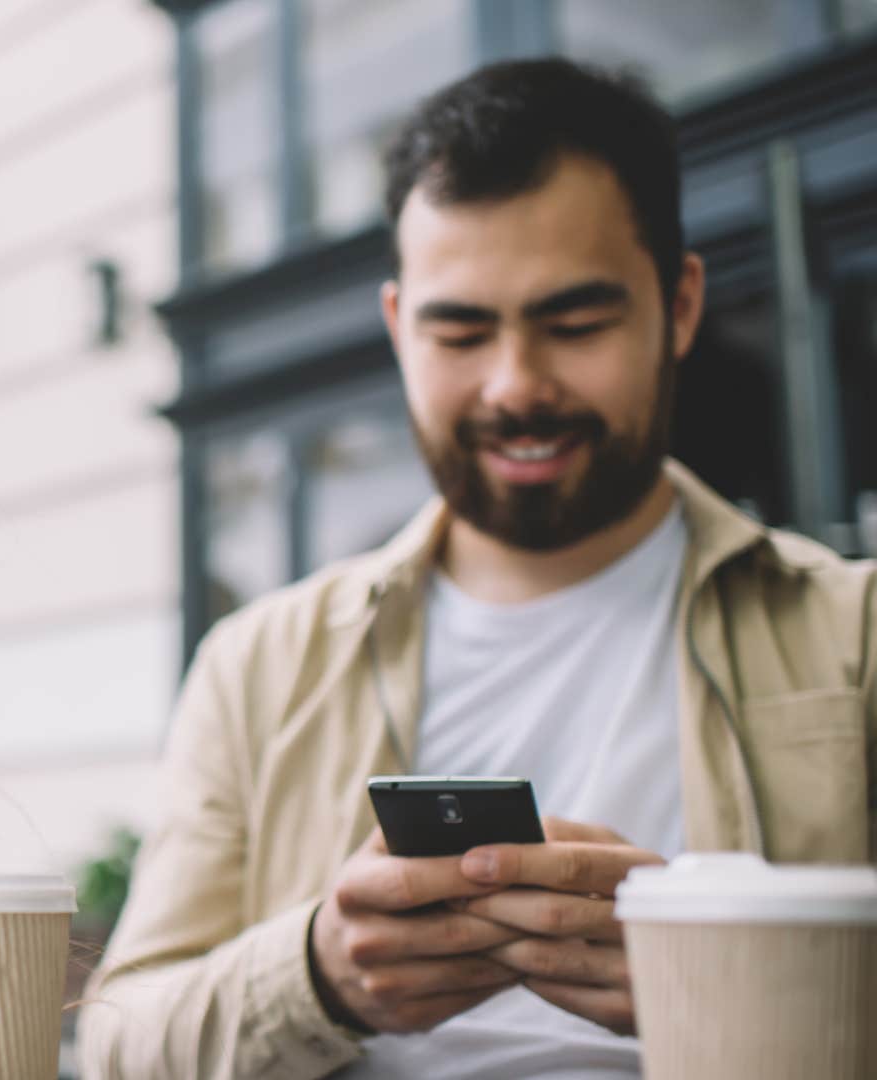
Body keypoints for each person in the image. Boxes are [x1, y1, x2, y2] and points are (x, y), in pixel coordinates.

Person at [78, 58, 875, 1079]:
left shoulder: (854, 636)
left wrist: (728, 980)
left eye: (574, 323)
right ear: (397, 328)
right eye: (460, 329)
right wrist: (318, 978)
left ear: (678, 307)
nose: (517, 386)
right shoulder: (259, 665)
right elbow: (118, 1046)